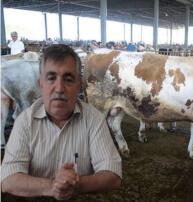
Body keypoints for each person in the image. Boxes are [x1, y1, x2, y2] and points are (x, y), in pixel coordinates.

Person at [1, 44, 122, 200]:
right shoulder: (25, 121)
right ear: (40, 84)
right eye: (51, 78)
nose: (59, 88)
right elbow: (7, 179)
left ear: (78, 85)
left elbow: (113, 175)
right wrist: (53, 186)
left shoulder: (94, 119)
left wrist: (76, 184)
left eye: (68, 79)